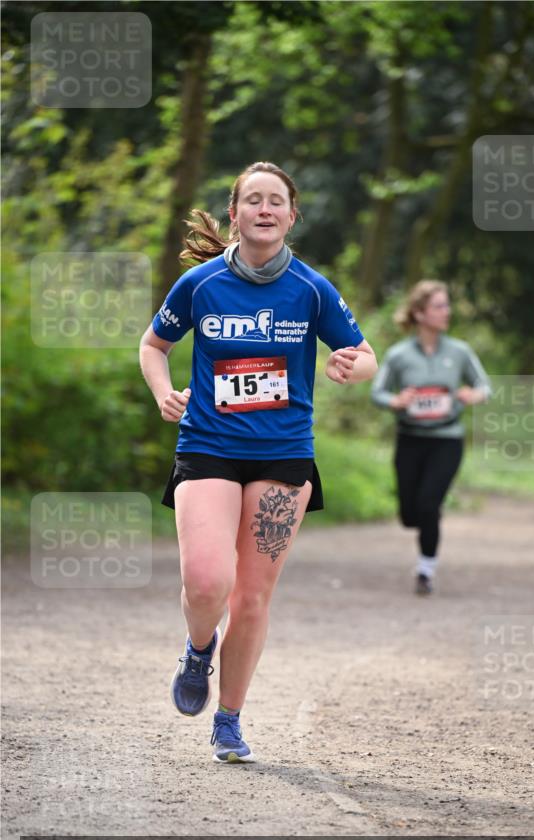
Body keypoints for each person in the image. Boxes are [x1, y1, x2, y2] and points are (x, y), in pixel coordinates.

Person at [139, 162, 377, 762]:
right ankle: (199, 649)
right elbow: (154, 344)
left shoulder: (311, 289)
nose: (265, 209)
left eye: (276, 201)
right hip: (208, 446)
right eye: (253, 200)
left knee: (250, 598)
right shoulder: (200, 284)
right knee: (206, 583)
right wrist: (163, 392)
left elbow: (366, 354)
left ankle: (229, 719)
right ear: (235, 214)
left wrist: (351, 365)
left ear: (292, 216)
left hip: (283, 456)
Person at [371, 280, 490, 595]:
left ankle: (425, 571)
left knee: (429, 504)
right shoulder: (398, 355)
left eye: (447, 305)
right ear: (420, 313)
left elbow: (485, 386)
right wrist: (396, 401)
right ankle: (423, 522)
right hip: (410, 439)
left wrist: (473, 395)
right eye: (439, 306)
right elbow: (378, 392)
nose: (446, 311)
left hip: (447, 440)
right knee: (410, 514)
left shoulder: (460, 352)